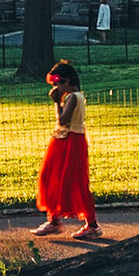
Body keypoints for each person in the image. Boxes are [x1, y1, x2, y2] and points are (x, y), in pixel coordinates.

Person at [32, 59, 101, 240]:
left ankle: (91, 224)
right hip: (63, 139)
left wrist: (56, 102)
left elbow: (62, 120)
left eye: (58, 83)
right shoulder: (74, 96)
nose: (56, 87)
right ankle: (53, 219)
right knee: (52, 177)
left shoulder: (73, 97)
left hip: (71, 140)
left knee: (74, 181)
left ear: (67, 82)